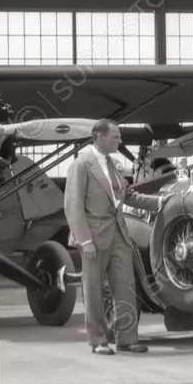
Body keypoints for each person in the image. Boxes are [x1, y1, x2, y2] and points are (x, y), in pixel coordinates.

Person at [64, 119, 166, 356]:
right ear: (99, 137)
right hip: (94, 237)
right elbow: (73, 206)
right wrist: (84, 240)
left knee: (126, 287)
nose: (120, 141)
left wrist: (160, 201)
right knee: (94, 289)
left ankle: (127, 340)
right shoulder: (81, 165)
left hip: (120, 234)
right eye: (116, 137)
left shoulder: (116, 166)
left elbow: (129, 196)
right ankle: (98, 340)